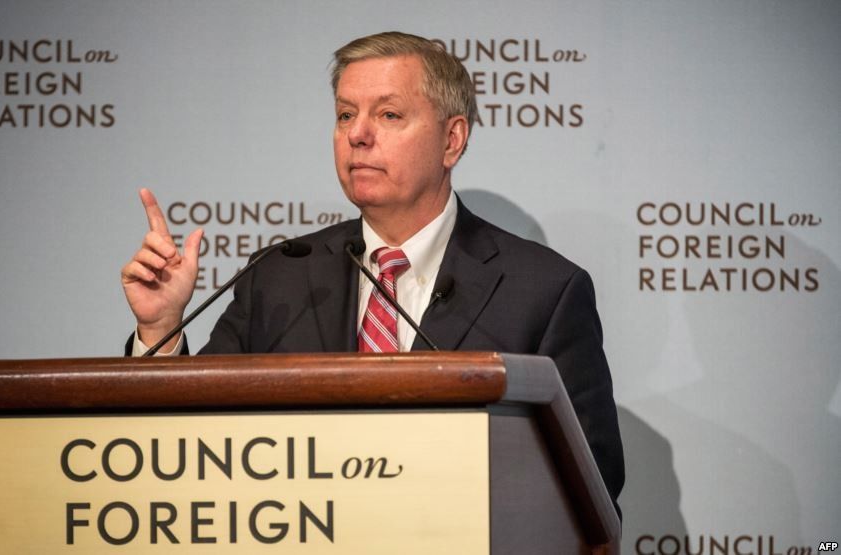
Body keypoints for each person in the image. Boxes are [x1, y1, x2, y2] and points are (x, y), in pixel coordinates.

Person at [121, 31, 624, 509]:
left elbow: (588, 482)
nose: (357, 135)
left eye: (388, 114)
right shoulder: (278, 276)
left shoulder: (544, 291)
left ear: (452, 140)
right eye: (345, 115)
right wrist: (161, 330)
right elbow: (193, 440)